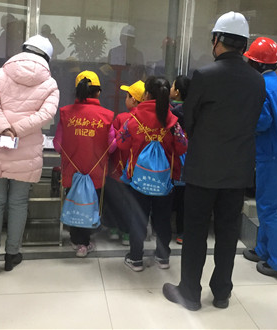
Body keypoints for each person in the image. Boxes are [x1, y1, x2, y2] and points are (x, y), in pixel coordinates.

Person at [162, 11, 266, 311]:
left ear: (217, 39)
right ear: (244, 43)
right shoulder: (257, 80)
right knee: (227, 232)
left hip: (203, 169)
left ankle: (190, 293)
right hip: (238, 170)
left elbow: (189, 120)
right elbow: (253, 120)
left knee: (195, 231)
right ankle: (221, 292)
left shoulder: (205, 76)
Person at [0, 34, 59, 274]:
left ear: (24, 49)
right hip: (26, 149)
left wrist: (4, 128)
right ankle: (12, 255)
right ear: (47, 57)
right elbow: (46, 115)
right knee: (18, 203)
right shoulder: (50, 84)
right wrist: (17, 130)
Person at [242, 37, 277, 279]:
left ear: (256, 64)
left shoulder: (261, 87)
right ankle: (264, 249)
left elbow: (263, 121)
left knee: (268, 209)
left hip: (273, 156)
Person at [117, 76, 187, 271]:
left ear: (147, 94)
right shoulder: (173, 121)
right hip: (165, 181)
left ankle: (136, 258)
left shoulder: (133, 118)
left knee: (138, 218)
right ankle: (163, 258)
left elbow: (122, 143)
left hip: (138, 179)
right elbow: (182, 147)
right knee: (163, 220)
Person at [54, 70, 115, 257]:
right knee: (90, 204)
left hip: (71, 172)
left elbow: (57, 144)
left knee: (74, 203)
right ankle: (85, 242)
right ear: (98, 92)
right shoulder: (106, 116)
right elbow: (112, 146)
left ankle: (76, 240)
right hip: (95, 172)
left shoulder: (66, 113)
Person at [104, 80, 145, 246]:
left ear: (133, 99)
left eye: (127, 96)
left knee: (114, 200)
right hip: (139, 172)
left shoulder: (122, 118)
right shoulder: (148, 120)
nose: (125, 99)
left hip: (118, 170)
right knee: (132, 203)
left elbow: (113, 143)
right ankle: (128, 234)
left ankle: (113, 230)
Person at [170, 75, 191, 245]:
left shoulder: (171, 111)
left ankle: (164, 228)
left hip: (174, 157)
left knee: (171, 196)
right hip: (189, 157)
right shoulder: (193, 109)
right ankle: (182, 233)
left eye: (172, 86)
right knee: (184, 201)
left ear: (177, 92)